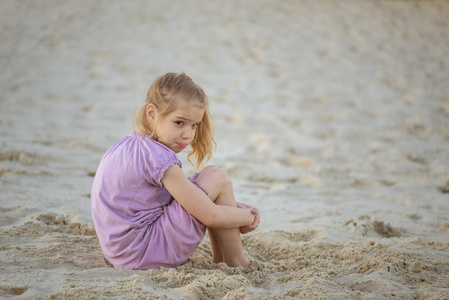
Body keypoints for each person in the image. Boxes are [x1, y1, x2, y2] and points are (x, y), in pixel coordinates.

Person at [91, 72, 260, 270]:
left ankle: (221, 260)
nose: (188, 135)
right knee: (217, 176)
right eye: (179, 122)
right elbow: (210, 216)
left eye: (194, 125)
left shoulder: (127, 145)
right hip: (146, 252)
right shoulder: (159, 157)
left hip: (122, 253)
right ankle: (236, 262)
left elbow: (182, 195)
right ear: (152, 114)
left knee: (206, 189)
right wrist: (249, 216)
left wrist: (233, 209)